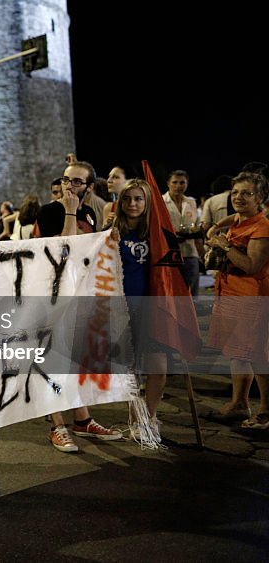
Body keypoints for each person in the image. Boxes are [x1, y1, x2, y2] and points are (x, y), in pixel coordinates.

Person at [34, 160, 123, 451]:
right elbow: (64, 249)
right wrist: (70, 211)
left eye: (76, 181)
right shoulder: (50, 211)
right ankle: (56, 425)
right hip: (53, 294)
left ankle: (82, 419)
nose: (68, 186)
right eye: (65, 180)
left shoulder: (89, 212)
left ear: (88, 186)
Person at [108, 179, 174, 442]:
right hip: (124, 307)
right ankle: (136, 418)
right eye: (127, 199)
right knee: (131, 370)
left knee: (158, 365)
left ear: (147, 202)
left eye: (138, 199)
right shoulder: (111, 232)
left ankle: (151, 414)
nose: (132, 204)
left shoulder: (157, 232)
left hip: (155, 307)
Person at [204, 171, 269, 430]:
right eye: (235, 193)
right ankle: (239, 403)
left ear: (261, 197)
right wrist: (216, 226)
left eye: (247, 193)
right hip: (231, 293)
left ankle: (265, 411)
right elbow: (234, 215)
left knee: (256, 354)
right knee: (236, 351)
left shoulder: (262, 227)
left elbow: (252, 265)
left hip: (251, 297)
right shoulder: (241, 219)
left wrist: (224, 245)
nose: (238, 198)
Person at [163, 169, 201, 295]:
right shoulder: (161, 202)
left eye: (182, 182)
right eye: (175, 182)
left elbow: (197, 225)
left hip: (190, 251)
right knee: (172, 290)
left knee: (191, 289)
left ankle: (191, 314)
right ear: (168, 183)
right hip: (169, 252)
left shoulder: (191, 201)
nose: (178, 186)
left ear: (187, 184)